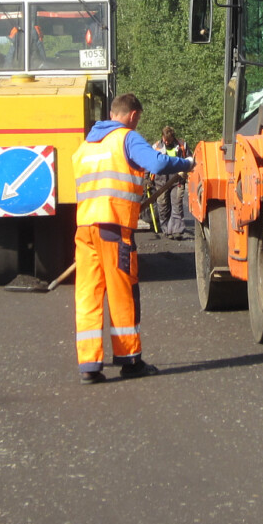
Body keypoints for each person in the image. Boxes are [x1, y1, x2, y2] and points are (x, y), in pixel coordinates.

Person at [72, 93, 193, 384]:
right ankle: (129, 360)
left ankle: (89, 366)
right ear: (133, 115)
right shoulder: (126, 138)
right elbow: (157, 164)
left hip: (85, 228)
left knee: (88, 296)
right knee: (122, 292)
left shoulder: (86, 146)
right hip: (113, 229)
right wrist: (187, 164)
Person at [153, 126, 189, 239]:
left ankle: (177, 230)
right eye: (165, 139)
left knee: (177, 205)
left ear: (173, 137)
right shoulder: (156, 147)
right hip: (160, 181)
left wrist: (186, 170)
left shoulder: (182, 145)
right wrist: (146, 178)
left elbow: (190, 159)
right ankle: (167, 230)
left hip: (177, 180)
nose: (166, 141)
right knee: (163, 206)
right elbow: (149, 163)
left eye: (169, 139)